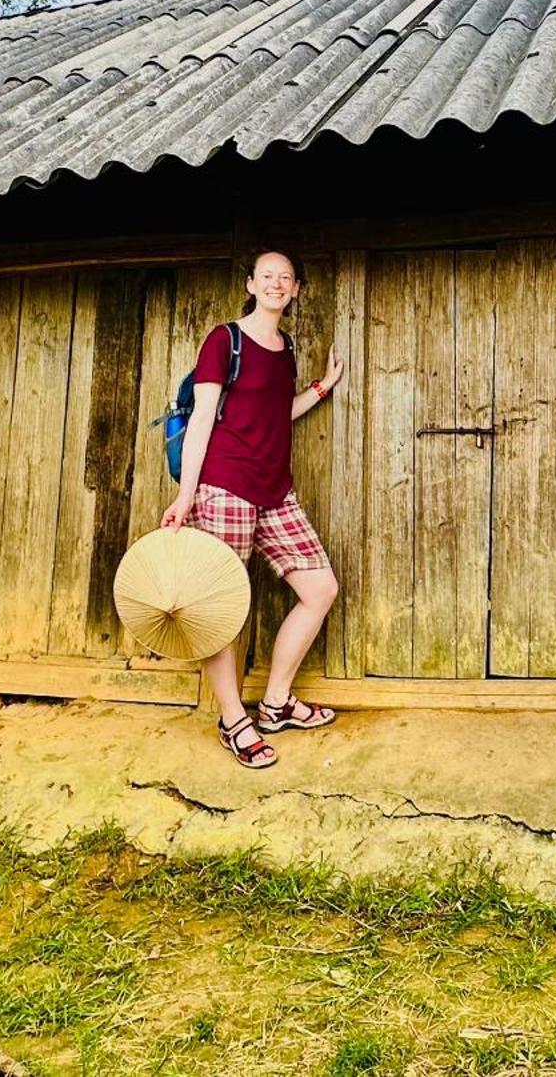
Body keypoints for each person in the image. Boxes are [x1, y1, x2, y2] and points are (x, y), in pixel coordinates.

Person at [162, 250, 345, 768]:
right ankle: (232, 719)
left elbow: (276, 413)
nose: (276, 283)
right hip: (224, 484)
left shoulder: (285, 347)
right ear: (251, 283)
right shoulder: (225, 340)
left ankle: (275, 703)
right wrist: (186, 494)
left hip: (274, 488)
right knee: (222, 607)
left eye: (285, 278)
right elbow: (201, 419)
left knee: (320, 588)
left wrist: (322, 387)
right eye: (267, 275)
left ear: (295, 291)